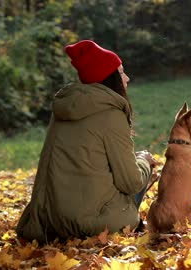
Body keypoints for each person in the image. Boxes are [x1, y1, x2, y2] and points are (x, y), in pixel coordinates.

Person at [16, 40, 158, 243]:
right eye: (121, 72)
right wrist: (145, 161)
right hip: (89, 224)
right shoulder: (110, 114)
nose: (126, 78)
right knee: (141, 165)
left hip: (49, 220)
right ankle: (131, 225)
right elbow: (130, 182)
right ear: (111, 78)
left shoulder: (63, 110)